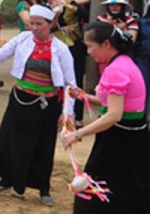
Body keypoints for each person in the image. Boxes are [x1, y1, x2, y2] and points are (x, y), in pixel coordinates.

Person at [0, 4, 76, 206]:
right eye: (31, 23)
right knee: (11, 141)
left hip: (46, 103)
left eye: (39, 24)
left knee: (43, 146)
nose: (34, 28)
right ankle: (7, 179)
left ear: (51, 24)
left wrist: (67, 112)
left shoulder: (60, 49)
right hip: (20, 99)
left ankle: (43, 187)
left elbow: (71, 84)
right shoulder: (23, 39)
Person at [62, 22, 150, 213]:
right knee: (130, 190)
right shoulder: (125, 62)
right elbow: (115, 104)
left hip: (120, 142)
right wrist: (86, 97)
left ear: (106, 44)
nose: (88, 52)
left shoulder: (115, 70)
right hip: (133, 138)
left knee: (100, 192)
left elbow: (113, 115)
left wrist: (77, 134)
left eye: (91, 46)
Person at [42, 0, 89, 125]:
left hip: (75, 46)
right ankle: (59, 114)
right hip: (57, 47)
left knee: (77, 79)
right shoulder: (45, 10)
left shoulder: (70, 5)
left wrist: (67, 4)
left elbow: (84, 15)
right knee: (56, 80)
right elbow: (47, 29)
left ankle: (78, 116)